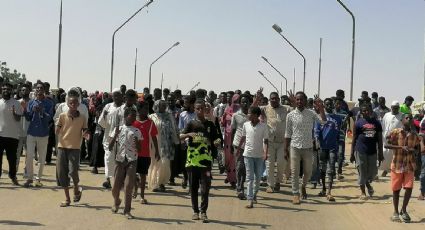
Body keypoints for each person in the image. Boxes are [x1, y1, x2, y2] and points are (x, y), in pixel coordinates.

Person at [180, 99, 221, 223]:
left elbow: (218, 139)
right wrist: (188, 135)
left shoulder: (210, 125)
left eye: (202, 108)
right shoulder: (191, 123)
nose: (199, 111)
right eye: (197, 108)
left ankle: (203, 212)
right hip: (192, 161)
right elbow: (180, 136)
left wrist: (216, 142)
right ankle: (195, 211)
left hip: (206, 162)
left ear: (205, 109)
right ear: (194, 109)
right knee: (193, 187)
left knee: (205, 188)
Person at [285, 91, 326, 205]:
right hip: (294, 147)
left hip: (308, 147)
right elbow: (287, 133)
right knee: (294, 172)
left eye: (301, 99)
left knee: (308, 171)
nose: (299, 101)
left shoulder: (311, 113)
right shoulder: (290, 115)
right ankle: (295, 194)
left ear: (305, 100)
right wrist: (285, 149)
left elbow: (323, 121)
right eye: (297, 99)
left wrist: (321, 108)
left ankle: (303, 186)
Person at [253, 90, 291, 193]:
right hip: (269, 141)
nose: (274, 100)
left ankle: (278, 181)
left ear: (279, 99)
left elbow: (296, 111)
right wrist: (257, 99)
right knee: (269, 164)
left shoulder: (286, 109)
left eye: (275, 98)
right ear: (269, 100)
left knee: (281, 163)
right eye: (272, 99)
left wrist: (293, 101)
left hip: (282, 142)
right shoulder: (265, 109)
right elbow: (252, 110)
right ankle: (270, 185)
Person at [385, 114, 420, 223]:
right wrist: (401, 147)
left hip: (409, 165)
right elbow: (386, 145)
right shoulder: (396, 132)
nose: (409, 120)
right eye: (407, 118)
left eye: (411, 118)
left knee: (409, 188)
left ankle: (403, 209)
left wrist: (414, 151)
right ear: (402, 120)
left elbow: (417, 148)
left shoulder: (414, 135)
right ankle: (395, 212)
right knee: (396, 189)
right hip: (397, 165)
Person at [55, 96, 88, 207]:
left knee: (73, 172)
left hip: (75, 148)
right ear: (68, 104)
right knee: (62, 174)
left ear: (78, 104)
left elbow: (85, 130)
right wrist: (57, 128)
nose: (73, 105)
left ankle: (76, 190)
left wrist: (86, 135)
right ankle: (67, 199)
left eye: (75, 103)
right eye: (71, 103)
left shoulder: (83, 117)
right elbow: (57, 130)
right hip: (62, 147)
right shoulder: (62, 116)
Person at [109, 107, 141, 219]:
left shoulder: (136, 131)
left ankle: (127, 211)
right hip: (120, 160)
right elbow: (110, 147)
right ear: (125, 116)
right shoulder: (118, 129)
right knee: (115, 188)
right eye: (131, 115)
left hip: (132, 160)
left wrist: (137, 143)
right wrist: (115, 135)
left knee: (128, 186)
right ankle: (116, 201)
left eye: (134, 116)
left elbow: (139, 149)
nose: (133, 118)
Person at [237, 106, 268, 208]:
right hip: (248, 154)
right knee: (250, 177)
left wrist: (265, 152)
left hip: (259, 155)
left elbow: (266, 140)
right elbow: (243, 137)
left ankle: (254, 194)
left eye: (249, 113)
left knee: (258, 177)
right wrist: (239, 148)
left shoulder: (263, 126)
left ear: (255, 115)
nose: (248, 115)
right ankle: (250, 198)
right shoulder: (246, 125)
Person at [350, 104, 384, 200]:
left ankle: (368, 184)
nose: (366, 112)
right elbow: (354, 139)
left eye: (367, 110)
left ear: (371, 111)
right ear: (361, 112)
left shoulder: (377, 123)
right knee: (362, 172)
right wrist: (352, 154)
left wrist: (380, 154)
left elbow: (380, 140)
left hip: (372, 151)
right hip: (360, 150)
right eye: (363, 111)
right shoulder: (358, 123)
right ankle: (363, 192)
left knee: (372, 173)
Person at [24, 82, 54, 187]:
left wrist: (41, 111)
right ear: (35, 90)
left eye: (41, 88)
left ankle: (38, 179)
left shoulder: (49, 103)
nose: (39, 89)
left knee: (41, 159)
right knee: (29, 156)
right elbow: (28, 117)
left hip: (43, 133)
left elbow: (49, 118)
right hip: (31, 132)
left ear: (44, 90)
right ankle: (29, 178)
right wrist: (27, 110)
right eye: (37, 88)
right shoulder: (31, 102)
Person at [314, 98, 343, 202]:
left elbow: (338, 131)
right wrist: (317, 141)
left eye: (330, 104)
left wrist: (339, 143)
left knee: (331, 169)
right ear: (324, 106)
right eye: (327, 104)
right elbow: (316, 131)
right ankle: (323, 189)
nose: (329, 106)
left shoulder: (338, 118)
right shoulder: (319, 117)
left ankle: (329, 192)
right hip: (322, 147)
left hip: (333, 147)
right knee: (322, 168)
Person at [148, 100, 179, 192]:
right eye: (161, 105)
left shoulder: (169, 116)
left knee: (165, 163)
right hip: (154, 144)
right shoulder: (151, 117)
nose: (163, 107)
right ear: (156, 106)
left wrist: (176, 141)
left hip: (166, 144)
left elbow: (174, 129)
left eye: (164, 105)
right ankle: (154, 183)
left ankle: (161, 182)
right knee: (155, 163)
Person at [132, 102, 159, 203]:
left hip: (145, 153)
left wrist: (157, 151)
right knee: (133, 174)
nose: (147, 110)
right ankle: (135, 188)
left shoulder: (150, 123)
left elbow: (154, 138)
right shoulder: (133, 121)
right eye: (145, 108)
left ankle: (142, 196)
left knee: (143, 175)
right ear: (139, 110)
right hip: (133, 153)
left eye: (148, 108)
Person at [98, 89, 124, 188]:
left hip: (121, 138)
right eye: (114, 96)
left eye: (118, 95)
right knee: (108, 158)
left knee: (119, 159)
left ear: (122, 96)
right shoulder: (108, 107)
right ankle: (108, 180)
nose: (116, 98)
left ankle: (119, 180)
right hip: (108, 137)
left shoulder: (125, 107)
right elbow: (102, 124)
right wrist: (104, 116)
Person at [0, 82, 23, 185]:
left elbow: (18, 119)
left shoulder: (17, 103)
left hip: (13, 136)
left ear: (12, 90)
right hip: (0, 135)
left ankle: (13, 176)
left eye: (8, 89)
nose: (6, 90)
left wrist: (14, 114)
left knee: (12, 159)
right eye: (4, 89)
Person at [231, 94, 251, 199]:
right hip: (238, 144)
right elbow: (233, 130)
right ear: (240, 103)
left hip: (250, 145)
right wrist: (230, 145)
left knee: (246, 168)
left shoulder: (253, 115)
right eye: (242, 102)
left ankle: (246, 187)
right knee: (239, 166)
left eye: (246, 101)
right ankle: (239, 189)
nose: (244, 103)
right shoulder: (235, 115)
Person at [379, 101, 404, 177]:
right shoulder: (387, 115)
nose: (395, 109)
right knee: (385, 154)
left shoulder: (402, 115)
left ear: (398, 108)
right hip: (386, 137)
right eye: (393, 108)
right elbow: (383, 125)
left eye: (396, 108)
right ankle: (386, 170)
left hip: (397, 138)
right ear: (391, 108)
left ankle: (393, 171)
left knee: (395, 154)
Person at [178, 95, 197, 188]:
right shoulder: (182, 115)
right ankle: (185, 177)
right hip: (185, 141)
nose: (184, 104)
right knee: (184, 162)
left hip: (195, 142)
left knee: (193, 163)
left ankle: (192, 182)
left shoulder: (197, 114)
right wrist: (182, 141)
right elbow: (180, 129)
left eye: (186, 102)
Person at [221, 93, 239, 188]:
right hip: (227, 138)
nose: (236, 104)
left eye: (237, 102)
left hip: (237, 138)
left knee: (234, 159)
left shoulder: (240, 113)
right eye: (235, 101)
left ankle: (233, 180)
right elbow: (222, 123)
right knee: (227, 159)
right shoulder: (227, 110)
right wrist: (224, 116)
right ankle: (229, 176)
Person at [17, 84, 31, 172]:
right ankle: (15, 169)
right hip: (18, 132)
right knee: (17, 153)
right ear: (20, 92)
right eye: (22, 90)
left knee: (29, 153)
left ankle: (27, 170)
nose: (24, 92)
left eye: (26, 90)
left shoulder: (32, 102)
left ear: (29, 91)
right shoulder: (17, 102)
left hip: (29, 131)